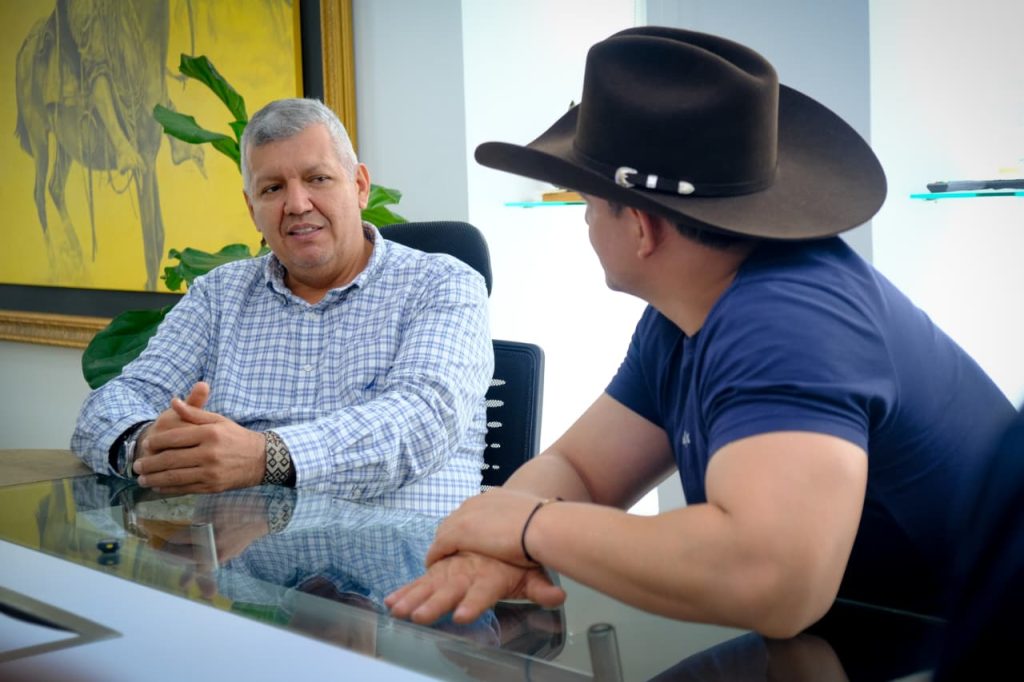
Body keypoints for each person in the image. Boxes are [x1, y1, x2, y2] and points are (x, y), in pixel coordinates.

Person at [385, 27, 1017, 636]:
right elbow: (580, 469)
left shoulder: (787, 321)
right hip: (867, 640)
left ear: (640, 227)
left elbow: (772, 582)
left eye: (587, 203)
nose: (584, 222)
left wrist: (530, 529)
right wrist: (492, 549)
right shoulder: (687, 310)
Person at [71, 98, 493, 516]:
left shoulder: (442, 284)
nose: (297, 204)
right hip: (240, 556)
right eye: (272, 188)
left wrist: (265, 457)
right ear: (251, 208)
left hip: (406, 554)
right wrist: (147, 444)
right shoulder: (219, 295)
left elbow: (422, 420)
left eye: (318, 179)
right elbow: (115, 401)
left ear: (360, 186)